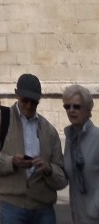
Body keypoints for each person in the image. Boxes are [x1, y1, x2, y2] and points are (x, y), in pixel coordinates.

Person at [0, 73, 68, 224]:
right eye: (25, 100)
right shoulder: (1, 119)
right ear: (16, 94)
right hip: (12, 205)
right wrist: (11, 162)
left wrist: (49, 169)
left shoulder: (49, 131)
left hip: (44, 207)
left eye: (34, 102)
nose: (29, 106)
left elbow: (62, 178)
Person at [62, 84, 99, 224]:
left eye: (76, 106)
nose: (71, 110)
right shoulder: (71, 140)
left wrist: (95, 208)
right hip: (78, 217)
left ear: (88, 109)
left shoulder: (97, 137)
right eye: (67, 106)